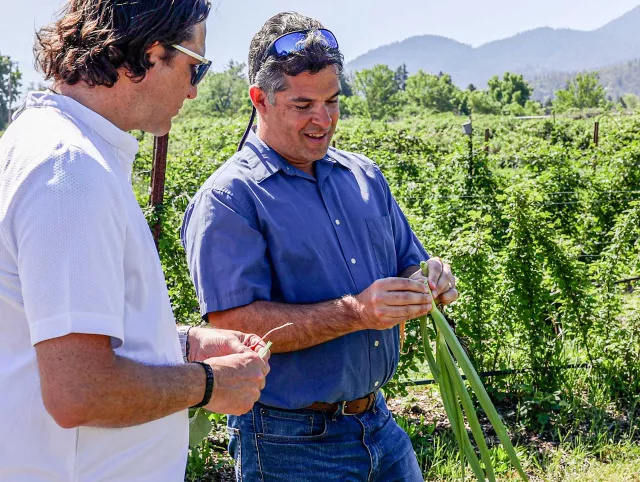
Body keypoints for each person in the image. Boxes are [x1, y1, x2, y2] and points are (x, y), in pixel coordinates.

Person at [181, 11, 459, 482]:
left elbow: (409, 263)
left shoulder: (363, 176)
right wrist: (358, 312)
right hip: (290, 441)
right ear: (260, 100)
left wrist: (427, 280)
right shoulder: (231, 199)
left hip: (379, 424)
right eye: (303, 104)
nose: (323, 119)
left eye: (332, 101)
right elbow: (233, 326)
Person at [0, 1, 270, 480]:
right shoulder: (71, 170)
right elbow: (79, 389)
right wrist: (210, 384)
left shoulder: (52, 148)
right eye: (195, 67)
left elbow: (60, 337)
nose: (192, 92)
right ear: (143, 57)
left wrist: (182, 344)